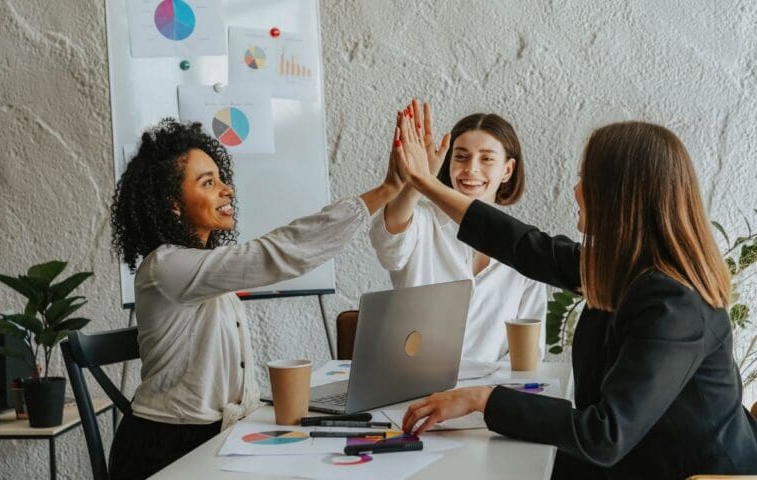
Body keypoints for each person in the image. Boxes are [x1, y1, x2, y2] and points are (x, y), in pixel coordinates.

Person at [393, 113, 757, 479]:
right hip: (636, 459)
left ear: (619, 195)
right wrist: (424, 183)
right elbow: (522, 245)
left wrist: (482, 399)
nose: (576, 189)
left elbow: (604, 434)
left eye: (586, 178)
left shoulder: (673, 303)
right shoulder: (625, 269)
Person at [108, 119, 403, 479]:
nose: (227, 190)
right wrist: (387, 189)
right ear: (173, 205)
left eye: (220, 178)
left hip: (214, 436)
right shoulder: (167, 267)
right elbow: (273, 254)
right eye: (208, 183)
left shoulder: (201, 269)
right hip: (165, 450)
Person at [369, 101, 546, 362]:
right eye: (461, 156)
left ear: (507, 170)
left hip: (488, 395)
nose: (471, 169)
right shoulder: (422, 221)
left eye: (486, 158)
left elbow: (529, 352)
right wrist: (419, 179)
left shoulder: (525, 246)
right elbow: (388, 242)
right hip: (414, 388)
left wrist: (488, 397)